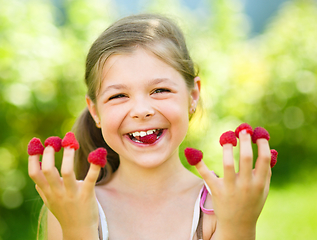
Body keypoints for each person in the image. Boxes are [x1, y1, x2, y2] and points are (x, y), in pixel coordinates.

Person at [28, 14, 272, 240]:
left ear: (193, 95)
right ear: (95, 111)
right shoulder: (72, 206)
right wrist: (78, 229)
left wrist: (239, 225)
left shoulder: (221, 205)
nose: (141, 110)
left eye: (160, 90)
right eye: (119, 96)